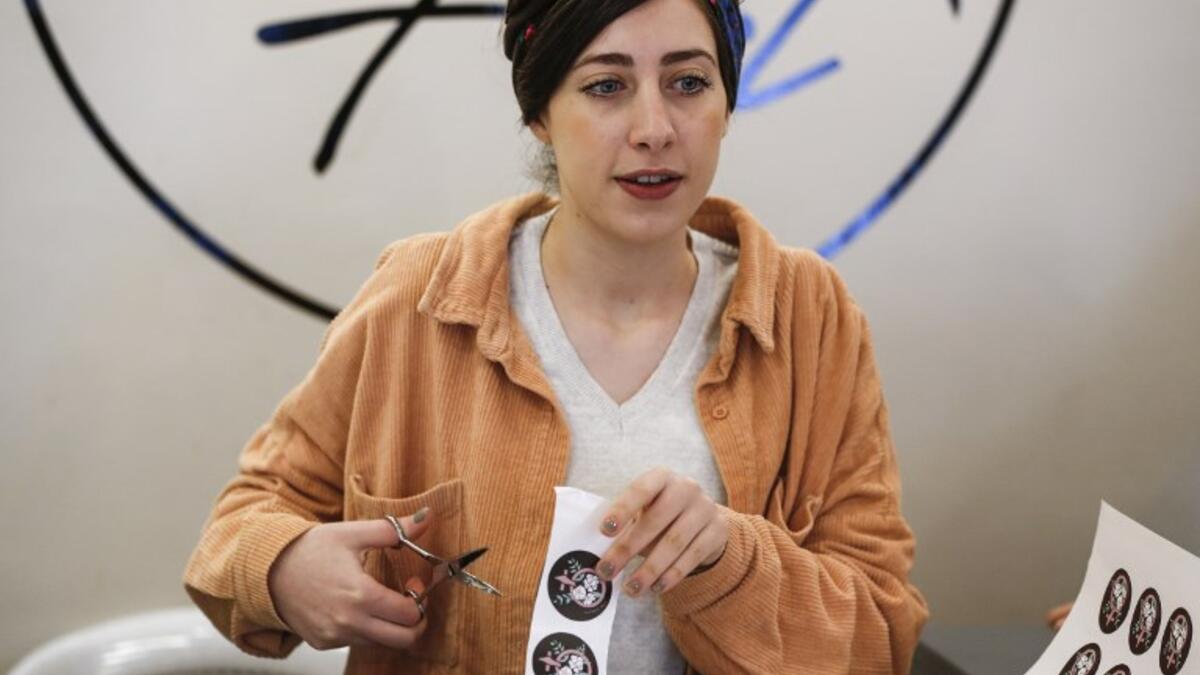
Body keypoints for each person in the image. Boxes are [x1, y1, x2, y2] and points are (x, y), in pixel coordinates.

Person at [183, 0, 929, 671]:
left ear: (727, 102)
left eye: (688, 82)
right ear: (540, 112)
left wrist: (728, 562)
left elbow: (881, 633)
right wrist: (283, 568)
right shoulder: (417, 297)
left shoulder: (809, 316)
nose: (654, 129)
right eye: (606, 86)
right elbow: (240, 525)